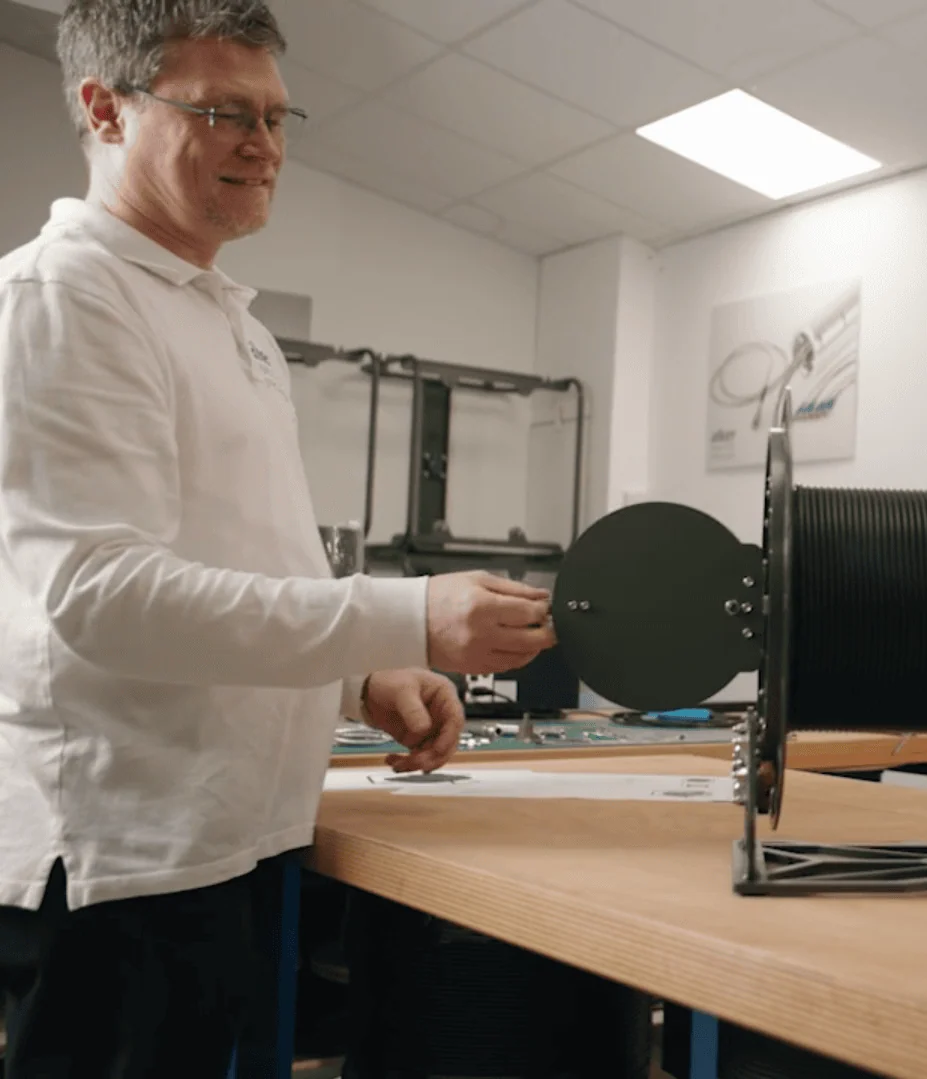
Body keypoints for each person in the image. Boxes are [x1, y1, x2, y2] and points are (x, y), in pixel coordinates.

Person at [0, 1, 557, 1072]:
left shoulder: (229, 322)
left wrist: (360, 674)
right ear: (104, 111)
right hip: (127, 857)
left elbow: (244, 563)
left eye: (275, 114)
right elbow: (101, 595)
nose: (263, 145)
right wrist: (407, 611)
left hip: (229, 834)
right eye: (222, 112)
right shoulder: (65, 297)